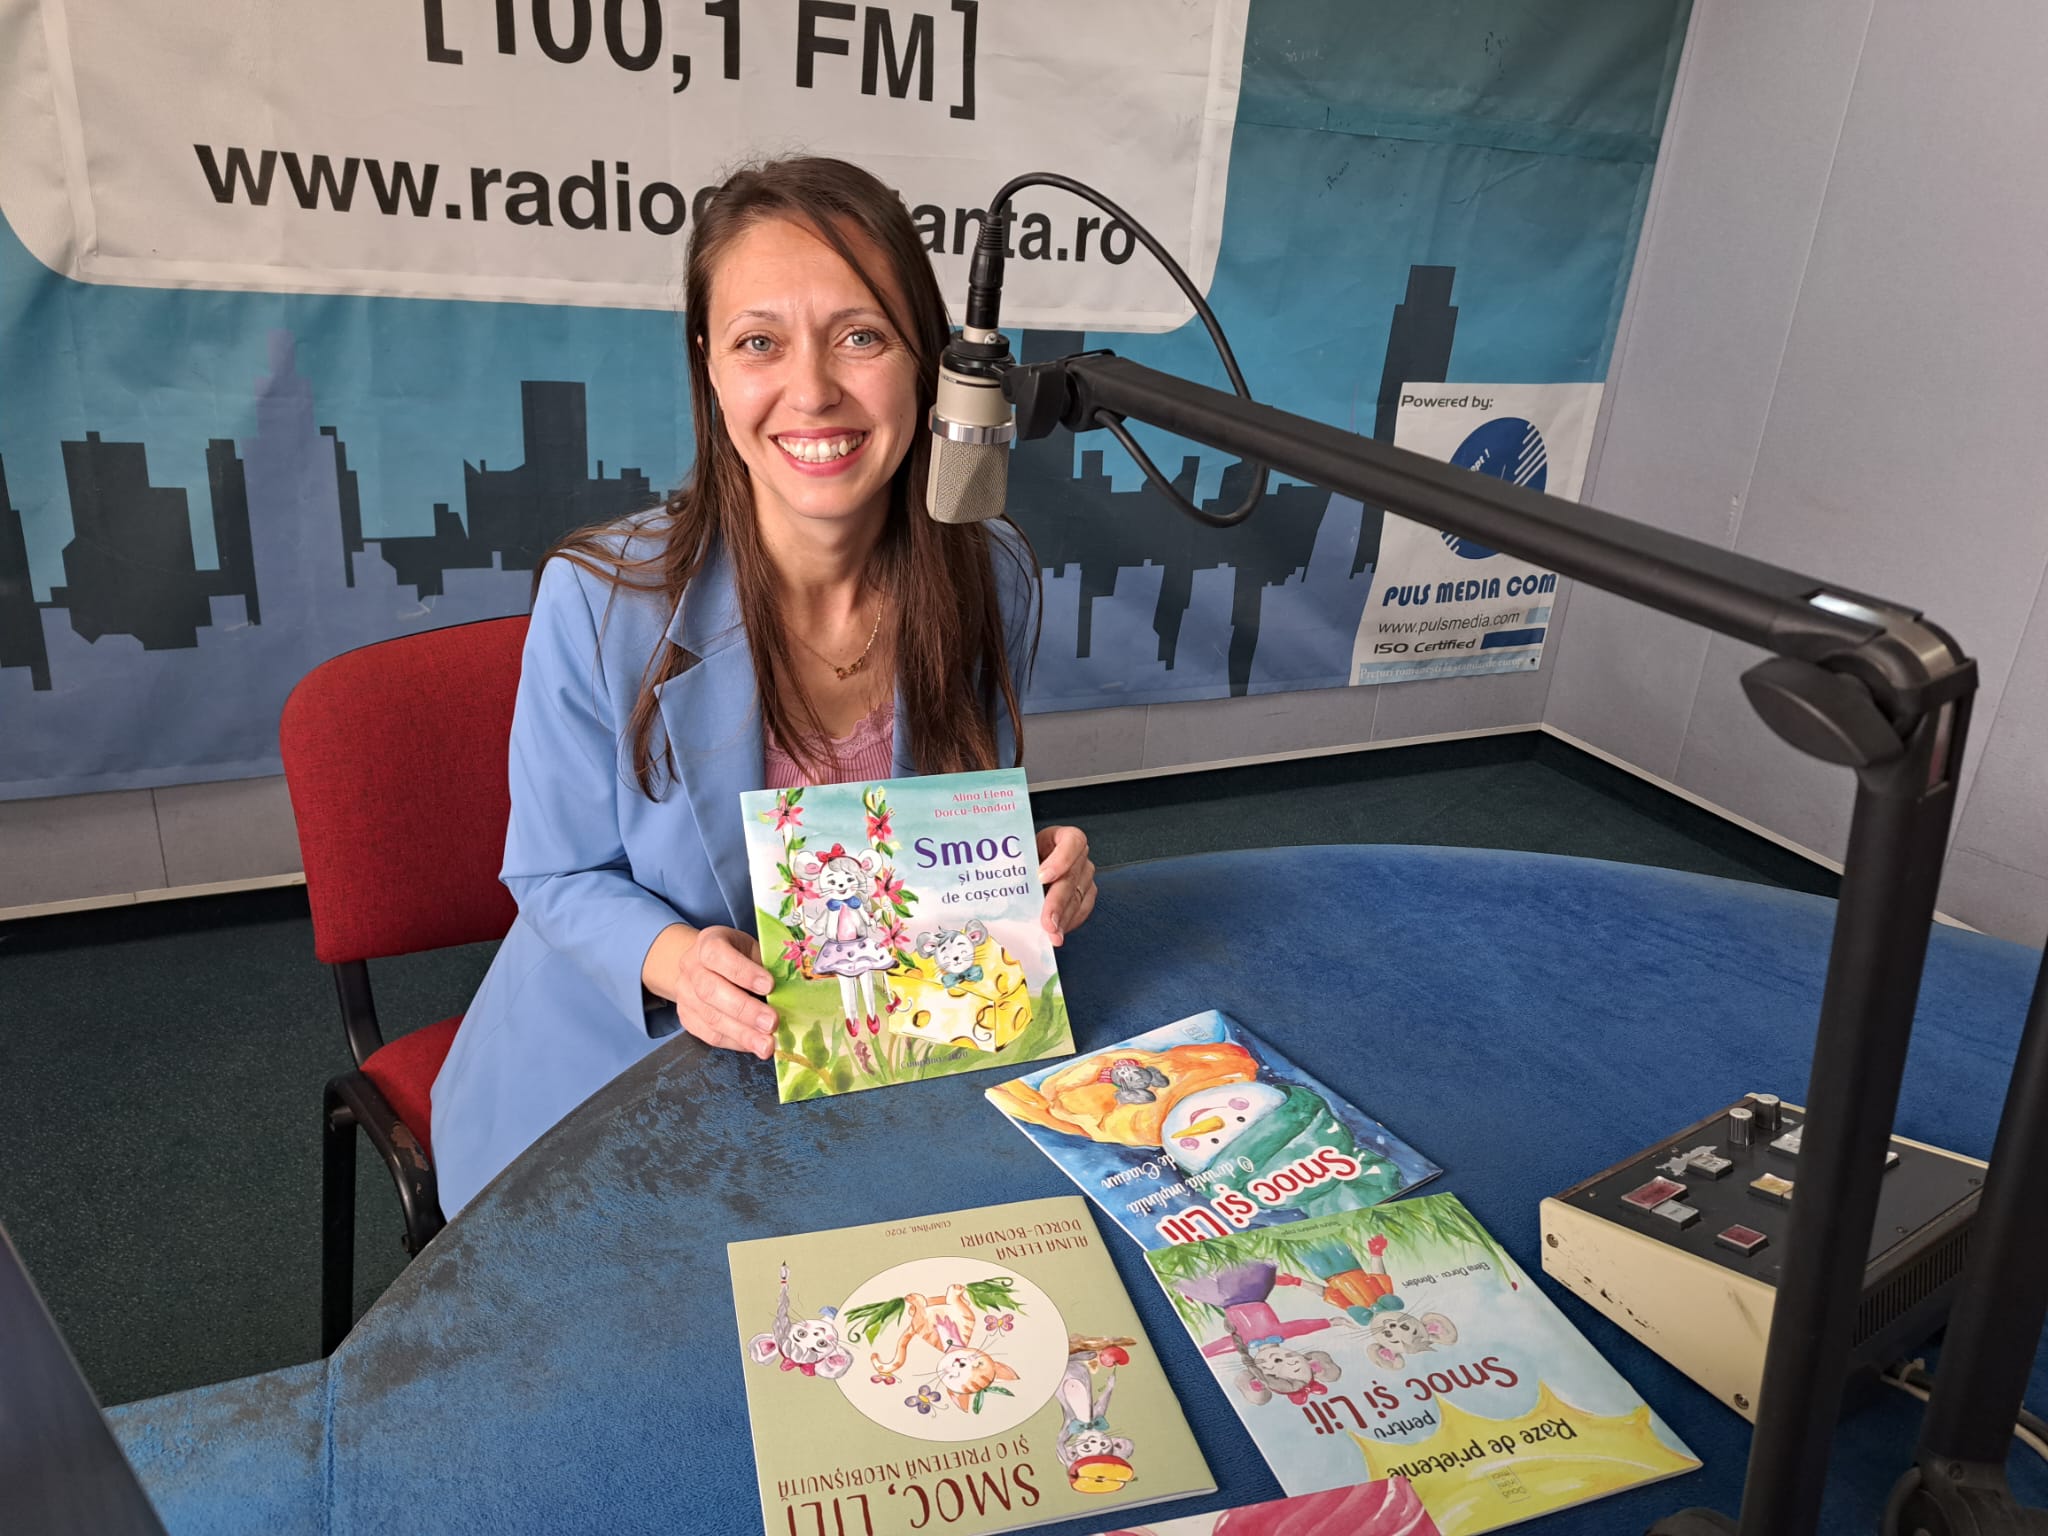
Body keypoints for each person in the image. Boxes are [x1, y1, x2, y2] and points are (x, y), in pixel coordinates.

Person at [429, 157, 1097, 1216]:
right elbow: (555, 874)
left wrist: (1033, 867)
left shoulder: (992, 573)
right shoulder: (600, 599)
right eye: (759, 342)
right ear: (710, 367)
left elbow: (945, 829)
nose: (813, 390)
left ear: (930, 363)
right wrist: (675, 960)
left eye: (860, 336)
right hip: (621, 1071)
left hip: (877, 1055)